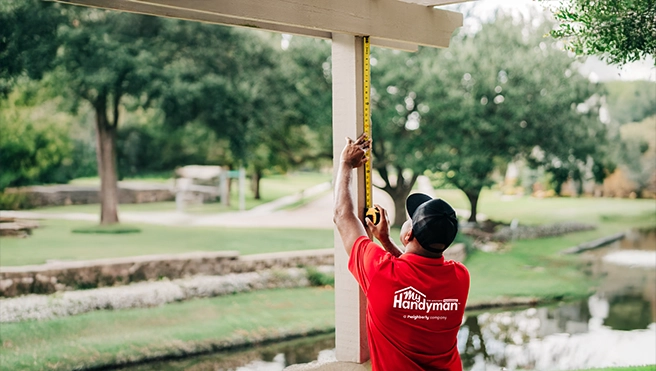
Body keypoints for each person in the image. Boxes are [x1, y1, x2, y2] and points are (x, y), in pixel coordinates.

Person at [333, 133, 470, 371]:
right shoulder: (460, 278)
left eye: (409, 220)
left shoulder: (380, 271)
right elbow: (415, 282)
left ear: (408, 235)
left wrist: (345, 164)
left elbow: (342, 217)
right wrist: (385, 241)